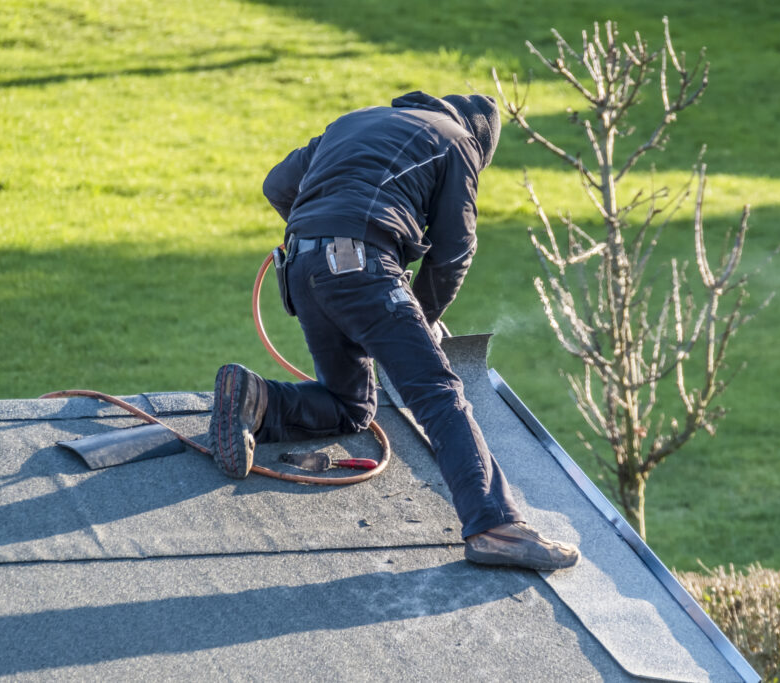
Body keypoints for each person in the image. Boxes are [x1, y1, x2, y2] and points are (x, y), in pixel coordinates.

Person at [208, 91, 579, 571]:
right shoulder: (459, 141)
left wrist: (324, 234)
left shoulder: (356, 120)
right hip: (361, 263)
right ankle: (494, 526)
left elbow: (278, 184)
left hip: (302, 266)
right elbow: (453, 251)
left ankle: (257, 400)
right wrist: (420, 316)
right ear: (482, 141)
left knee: (352, 405)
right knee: (438, 391)